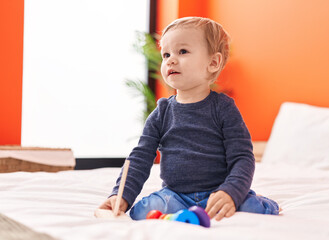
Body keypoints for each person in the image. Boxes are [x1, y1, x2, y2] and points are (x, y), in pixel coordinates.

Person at [98, 17, 279, 221]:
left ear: (213, 62)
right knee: (141, 212)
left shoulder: (224, 108)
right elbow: (139, 159)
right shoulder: (161, 112)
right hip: (175, 195)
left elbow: (242, 157)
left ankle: (261, 201)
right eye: (166, 54)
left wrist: (230, 192)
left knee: (252, 208)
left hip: (218, 193)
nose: (171, 60)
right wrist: (120, 196)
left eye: (182, 51)